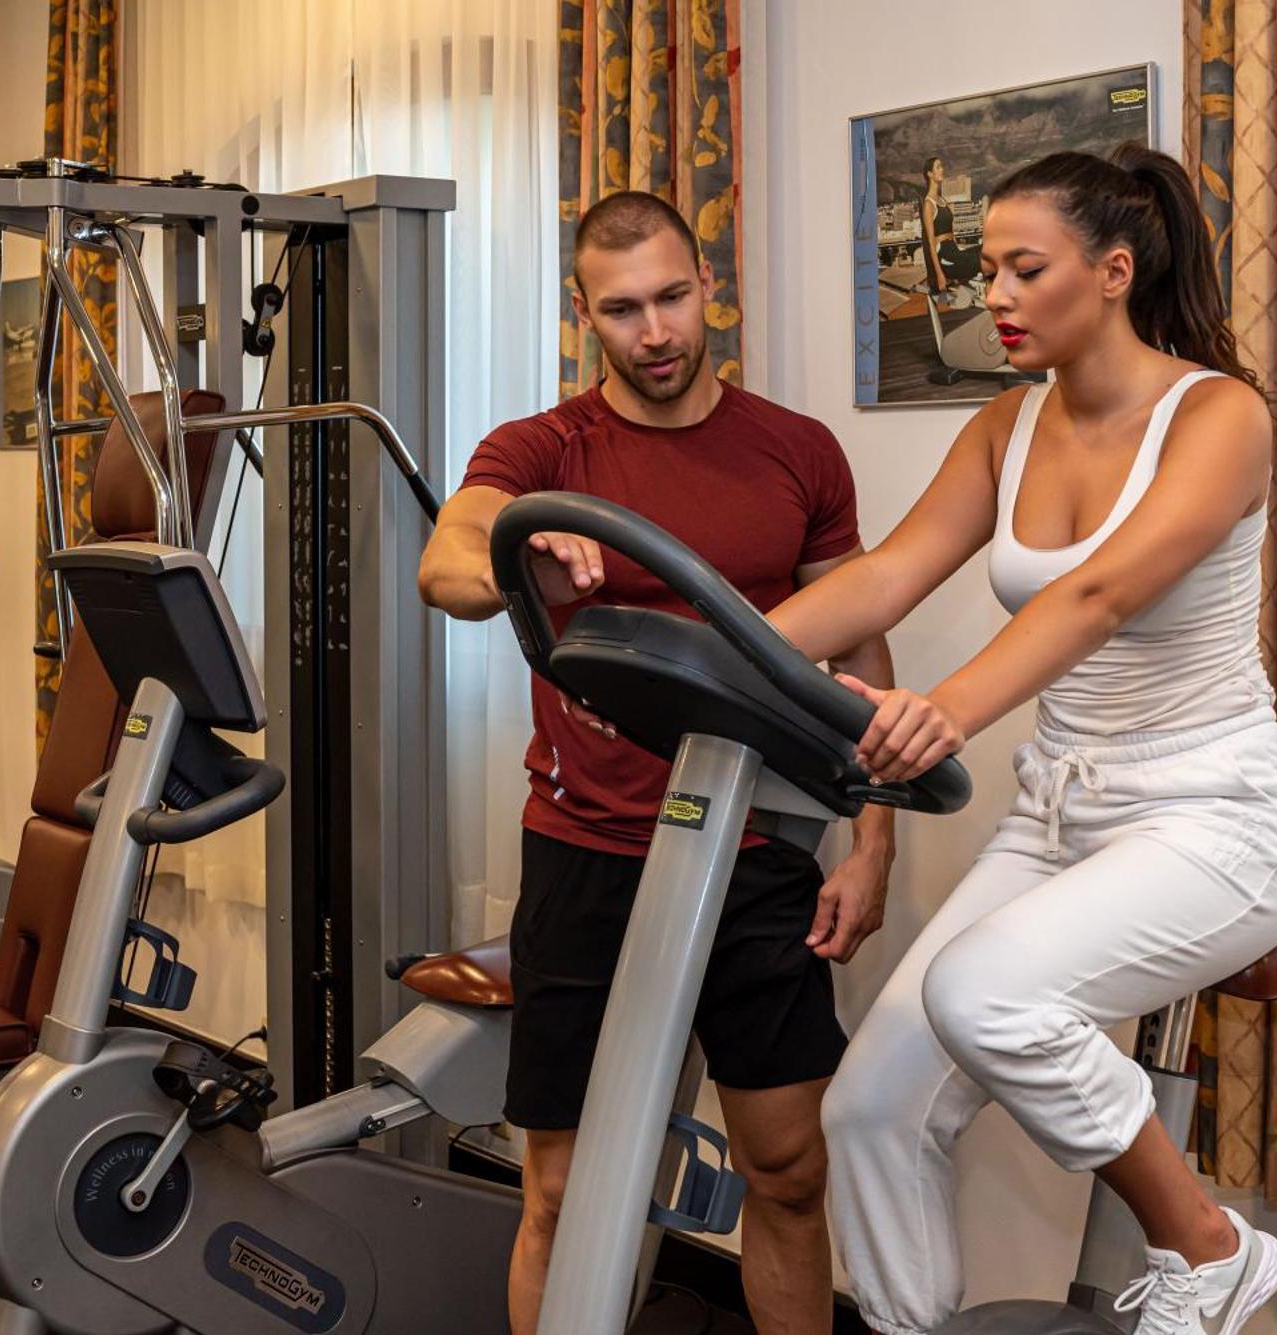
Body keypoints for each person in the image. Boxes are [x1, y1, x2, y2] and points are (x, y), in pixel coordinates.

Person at [766, 143, 1277, 1335]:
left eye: (1023, 270)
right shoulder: (1003, 426)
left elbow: (1097, 596)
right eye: (983, 272)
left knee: (985, 996)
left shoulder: (1215, 415)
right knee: (869, 1108)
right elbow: (883, 578)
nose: (992, 300)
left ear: (1113, 272)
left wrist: (945, 709)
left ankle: (1210, 1253)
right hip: (1059, 815)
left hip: (1214, 815)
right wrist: (723, 651)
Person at [415, 190, 896, 1335]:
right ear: (586, 315)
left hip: (759, 850)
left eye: (673, 297)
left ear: (706, 284)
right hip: (587, 851)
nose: (657, 332)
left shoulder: (795, 449)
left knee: (786, 1173)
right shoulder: (543, 449)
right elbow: (447, 566)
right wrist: (519, 542)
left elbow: (861, 643)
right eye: (623, 309)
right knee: (566, 1191)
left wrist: (873, 840)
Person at [919, 155, 980, 301]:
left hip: (953, 251)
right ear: (929, 174)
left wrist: (958, 246)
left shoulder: (943, 200)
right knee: (980, 259)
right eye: (938, 167)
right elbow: (931, 244)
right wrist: (939, 274)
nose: (942, 169)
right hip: (944, 257)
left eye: (942, 166)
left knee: (986, 248)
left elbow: (950, 232)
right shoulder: (929, 204)